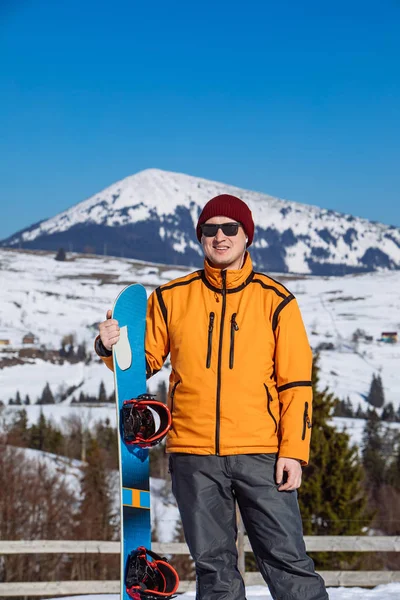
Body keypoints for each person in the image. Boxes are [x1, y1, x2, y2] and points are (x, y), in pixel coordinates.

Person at [95, 194, 329, 600]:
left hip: (263, 455)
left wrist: (294, 451)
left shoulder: (277, 301)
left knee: (289, 564)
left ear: (246, 236)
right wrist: (108, 347)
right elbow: (140, 365)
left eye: (230, 228)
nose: (219, 236)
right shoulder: (173, 298)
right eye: (210, 229)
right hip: (193, 455)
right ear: (200, 236)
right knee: (215, 572)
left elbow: (295, 385)